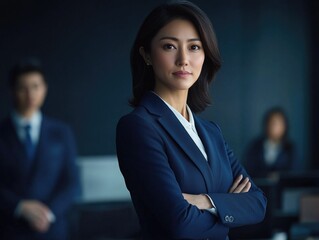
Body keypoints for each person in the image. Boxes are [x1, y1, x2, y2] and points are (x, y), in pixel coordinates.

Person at [116, 1, 267, 239]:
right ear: (146, 54)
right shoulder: (138, 127)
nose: (184, 59)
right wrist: (229, 206)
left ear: (206, 54)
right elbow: (179, 223)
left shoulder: (211, 132)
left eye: (194, 47)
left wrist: (203, 201)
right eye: (169, 46)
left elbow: (258, 204)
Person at [0, 60, 80, 240]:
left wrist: (48, 214)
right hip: (10, 229)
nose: (30, 94)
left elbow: (72, 182)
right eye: (22, 88)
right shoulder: (2, 133)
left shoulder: (61, 132)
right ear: (11, 91)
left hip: (52, 229)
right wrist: (19, 207)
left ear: (44, 89)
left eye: (35, 86)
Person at [243, 107, 296, 179]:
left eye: (278, 124)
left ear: (284, 126)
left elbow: (294, 173)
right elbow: (248, 170)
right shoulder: (255, 146)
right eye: (272, 123)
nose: (275, 127)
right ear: (266, 125)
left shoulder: (290, 148)